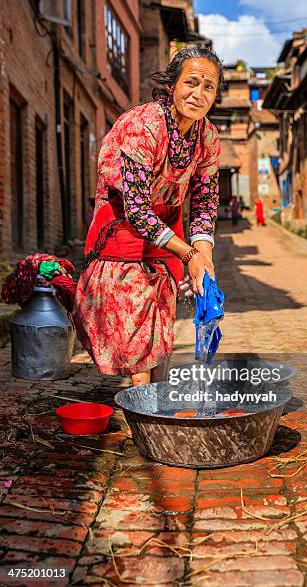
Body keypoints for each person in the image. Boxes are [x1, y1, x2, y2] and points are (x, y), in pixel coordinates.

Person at [73, 47, 223, 386]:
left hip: (165, 235)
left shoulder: (209, 138)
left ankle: (156, 407)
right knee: (134, 330)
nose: (199, 94)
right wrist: (189, 254)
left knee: (159, 330)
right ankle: (144, 422)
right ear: (171, 85)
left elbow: (204, 203)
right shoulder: (145, 125)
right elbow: (137, 210)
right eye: (191, 82)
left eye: (209, 87)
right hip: (122, 231)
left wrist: (205, 256)